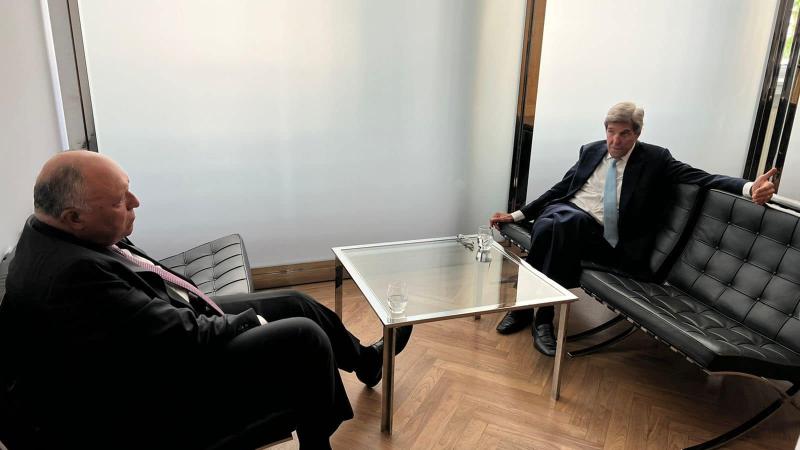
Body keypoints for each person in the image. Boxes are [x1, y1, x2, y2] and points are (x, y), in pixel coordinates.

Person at [0, 150, 412, 450]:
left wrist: (225, 312)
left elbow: (145, 310)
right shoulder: (72, 277)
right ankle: (316, 441)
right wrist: (249, 322)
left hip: (149, 337)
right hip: (142, 396)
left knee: (294, 302)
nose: (135, 203)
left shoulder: (56, 232)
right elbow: (180, 338)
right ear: (74, 216)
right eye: (120, 200)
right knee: (303, 337)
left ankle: (366, 363)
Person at [489, 102, 777, 357]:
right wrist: (517, 215)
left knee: (557, 224)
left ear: (637, 133)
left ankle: (526, 310)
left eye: (624, 133)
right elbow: (562, 188)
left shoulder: (656, 159)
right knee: (553, 223)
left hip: (604, 238)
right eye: (611, 132)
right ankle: (541, 318)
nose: (615, 140)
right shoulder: (591, 150)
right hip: (567, 220)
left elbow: (702, 178)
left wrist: (750, 187)